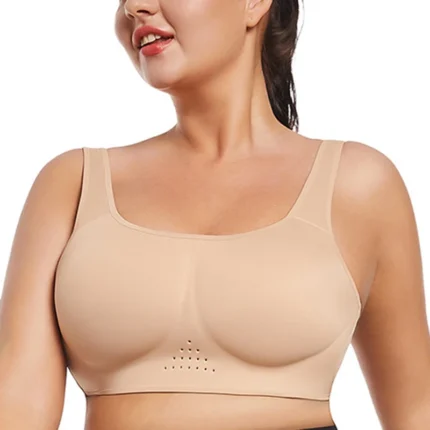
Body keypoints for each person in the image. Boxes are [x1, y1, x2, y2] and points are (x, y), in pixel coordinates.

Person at [1, 0, 430, 429]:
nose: (134, 6)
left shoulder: (357, 186)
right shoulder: (74, 185)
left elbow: (417, 410)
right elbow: (17, 407)